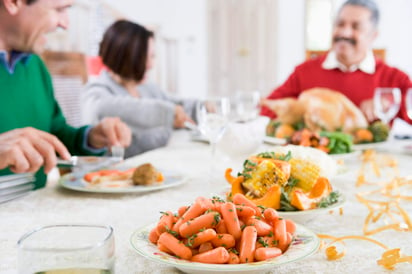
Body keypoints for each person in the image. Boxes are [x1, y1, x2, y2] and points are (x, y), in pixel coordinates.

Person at [0, 0, 132, 189]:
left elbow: (55, 135)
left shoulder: (34, 65)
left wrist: (90, 137)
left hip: (35, 208)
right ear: (13, 3)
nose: (65, 23)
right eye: (59, 9)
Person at [261, 0, 412, 124]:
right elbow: (266, 108)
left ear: (373, 35)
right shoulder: (304, 71)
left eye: (355, 27)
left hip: (372, 158)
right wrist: (301, 111)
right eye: (340, 24)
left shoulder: (394, 78)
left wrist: (389, 102)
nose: (344, 32)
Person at [81, 20, 197, 157]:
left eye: (153, 56)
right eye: (147, 57)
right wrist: (167, 114)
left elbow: (179, 105)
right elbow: (101, 108)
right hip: (116, 174)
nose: (151, 65)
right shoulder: (97, 91)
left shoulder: (147, 88)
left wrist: (204, 107)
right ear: (128, 58)